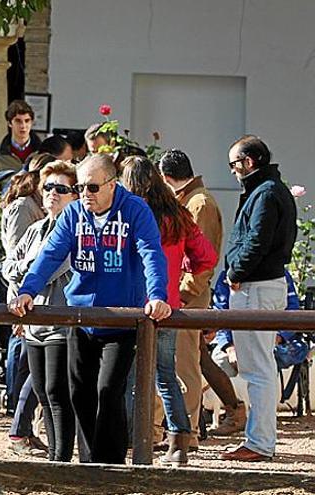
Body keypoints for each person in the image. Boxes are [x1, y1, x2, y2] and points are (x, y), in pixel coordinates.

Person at [9, 153, 171, 464]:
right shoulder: (73, 216)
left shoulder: (135, 210)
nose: (85, 194)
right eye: (81, 187)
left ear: (113, 185)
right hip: (80, 318)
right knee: (79, 392)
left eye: (93, 187)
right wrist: (28, 290)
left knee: (109, 389)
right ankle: (90, 462)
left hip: (122, 319)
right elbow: (51, 254)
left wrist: (157, 295)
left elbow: (151, 253)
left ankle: (108, 462)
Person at [121, 156, 217, 466]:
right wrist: (182, 278)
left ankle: (132, 440)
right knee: (166, 375)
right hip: (168, 305)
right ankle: (179, 443)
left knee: (127, 374)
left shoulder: (125, 214)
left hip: (130, 305)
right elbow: (207, 256)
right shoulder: (177, 214)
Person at [220, 135, 296, 462]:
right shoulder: (271, 190)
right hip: (262, 286)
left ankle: (260, 442)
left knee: (258, 369)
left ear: (248, 163)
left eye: (234, 165)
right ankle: (259, 440)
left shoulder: (264, 194)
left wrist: (235, 273)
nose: (233, 171)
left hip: (255, 288)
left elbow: (257, 242)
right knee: (259, 367)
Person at [2, 160, 78, 461]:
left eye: (61, 188)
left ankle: (61, 458)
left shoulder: (74, 229)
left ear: (73, 194)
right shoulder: (35, 229)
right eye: (48, 187)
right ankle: (54, 458)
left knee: (58, 394)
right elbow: (8, 267)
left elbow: (49, 268)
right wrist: (25, 269)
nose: (53, 194)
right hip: (32, 324)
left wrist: (25, 268)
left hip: (61, 321)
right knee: (44, 396)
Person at [158, 148, 223, 446]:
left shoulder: (199, 204)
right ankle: (180, 429)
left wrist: (182, 293)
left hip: (188, 297)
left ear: (165, 176)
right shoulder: (192, 200)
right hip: (183, 294)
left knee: (185, 364)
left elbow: (202, 261)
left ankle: (188, 433)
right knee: (177, 363)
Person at [0, 152, 55, 455]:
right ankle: (19, 428)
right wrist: (19, 291)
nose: (54, 193)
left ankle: (22, 428)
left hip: (38, 300)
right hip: (29, 301)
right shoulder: (26, 211)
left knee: (35, 369)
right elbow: (15, 262)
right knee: (31, 368)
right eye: (50, 186)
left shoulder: (41, 216)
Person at [0, 100, 42, 174]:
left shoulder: (43, 153)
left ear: (31, 123)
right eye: (18, 121)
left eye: (27, 121)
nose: (23, 126)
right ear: (9, 123)